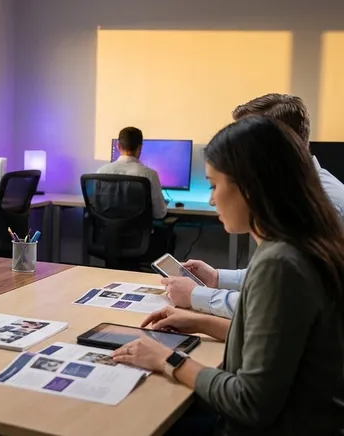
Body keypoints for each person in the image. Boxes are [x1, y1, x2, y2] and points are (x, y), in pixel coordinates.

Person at [112, 115, 344, 436]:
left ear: (250, 187)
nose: (209, 198)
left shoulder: (280, 262)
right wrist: (199, 322)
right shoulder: (299, 243)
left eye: (213, 185)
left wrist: (168, 359)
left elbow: (250, 402)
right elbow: (278, 345)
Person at [163, 93, 344, 317]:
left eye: (243, 145)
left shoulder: (321, 205)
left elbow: (278, 305)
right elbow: (275, 281)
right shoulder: (293, 194)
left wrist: (196, 296)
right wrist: (217, 278)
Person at [97, 127, 168, 219]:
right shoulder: (150, 175)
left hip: (107, 231)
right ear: (140, 147)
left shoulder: (101, 172)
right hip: (138, 232)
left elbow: (97, 207)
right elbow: (159, 214)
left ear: (118, 147)